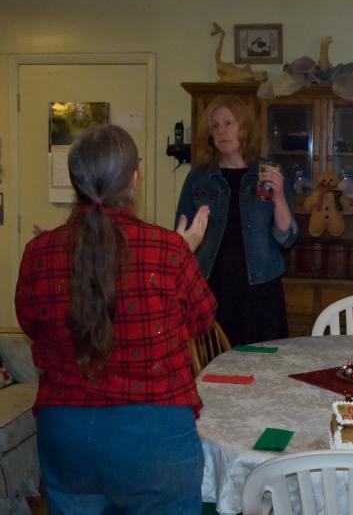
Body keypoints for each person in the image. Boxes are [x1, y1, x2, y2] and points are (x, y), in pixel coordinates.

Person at [15, 125, 217, 514]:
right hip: (154, 435)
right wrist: (184, 253)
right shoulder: (167, 249)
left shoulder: (39, 252)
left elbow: (31, 323)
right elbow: (203, 318)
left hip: (66, 431)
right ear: (133, 181)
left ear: (76, 182)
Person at [175, 95, 298, 346]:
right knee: (214, 366)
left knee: (263, 370)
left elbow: (286, 237)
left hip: (260, 288)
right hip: (211, 287)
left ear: (244, 128)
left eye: (228, 123)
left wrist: (279, 197)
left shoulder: (268, 173)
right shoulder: (199, 178)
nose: (221, 131)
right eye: (215, 125)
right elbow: (181, 240)